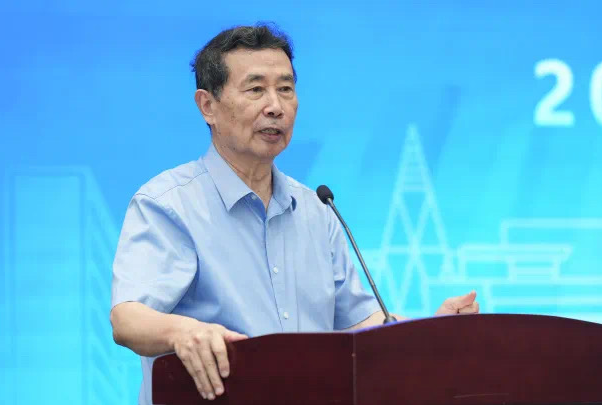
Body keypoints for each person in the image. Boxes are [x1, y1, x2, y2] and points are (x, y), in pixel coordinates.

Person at [110, 24, 479, 404]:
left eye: (285, 89)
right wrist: (183, 332)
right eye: (256, 90)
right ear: (208, 106)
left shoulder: (317, 210)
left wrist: (431, 332)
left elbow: (363, 326)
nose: (276, 106)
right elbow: (128, 318)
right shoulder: (169, 204)